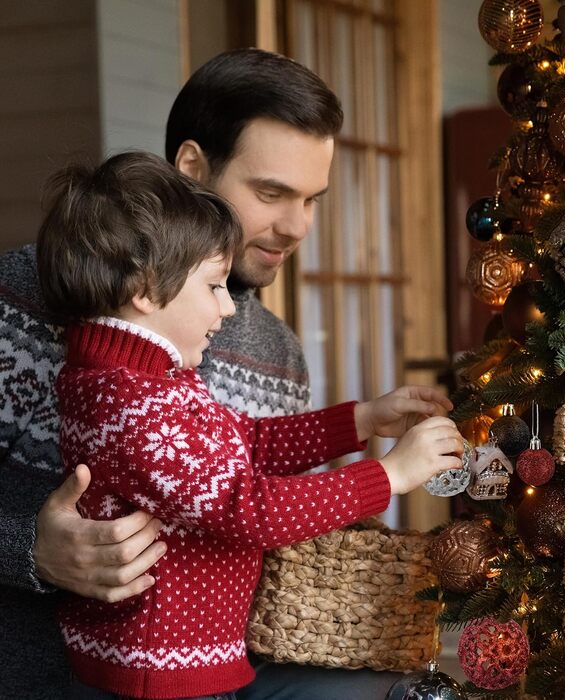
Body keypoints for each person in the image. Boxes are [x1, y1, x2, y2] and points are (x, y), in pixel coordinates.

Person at [0, 49, 437, 699]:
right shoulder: (21, 301)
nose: (297, 226)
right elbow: (248, 505)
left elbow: (258, 484)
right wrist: (27, 548)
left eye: (312, 199)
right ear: (193, 170)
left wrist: (361, 422)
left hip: (216, 652)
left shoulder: (271, 352)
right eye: (271, 193)